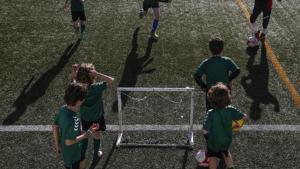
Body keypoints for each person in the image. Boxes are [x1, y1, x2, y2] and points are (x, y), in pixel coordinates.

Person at [71, 63, 114, 165]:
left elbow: (72, 81)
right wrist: (97, 74)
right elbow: (111, 80)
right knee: (97, 135)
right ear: (92, 76)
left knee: (85, 134)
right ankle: (96, 155)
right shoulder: (96, 87)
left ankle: (82, 155)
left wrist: (75, 74)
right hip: (97, 117)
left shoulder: (78, 88)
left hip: (85, 117)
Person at [52, 82, 99, 169]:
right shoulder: (73, 121)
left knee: (82, 163)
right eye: (83, 98)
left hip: (74, 151)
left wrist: (57, 145)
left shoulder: (63, 109)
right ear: (78, 101)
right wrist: (87, 134)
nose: (84, 99)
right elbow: (68, 142)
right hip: (73, 157)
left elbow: (55, 126)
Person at [202, 83, 248, 169]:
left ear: (211, 99)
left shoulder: (210, 113)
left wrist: (208, 140)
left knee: (212, 158)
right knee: (227, 154)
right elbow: (244, 117)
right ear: (228, 98)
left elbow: (205, 131)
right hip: (226, 141)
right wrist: (237, 124)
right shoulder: (231, 109)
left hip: (213, 143)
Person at [194, 37, 240, 110]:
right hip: (224, 91)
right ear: (222, 49)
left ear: (210, 49)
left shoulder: (206, 62)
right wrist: (229, 79)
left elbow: (197, 76)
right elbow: (237, 70)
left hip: (211, 91)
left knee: (210, 112)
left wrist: (203, 86)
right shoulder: (227, 61)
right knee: (226, 111)